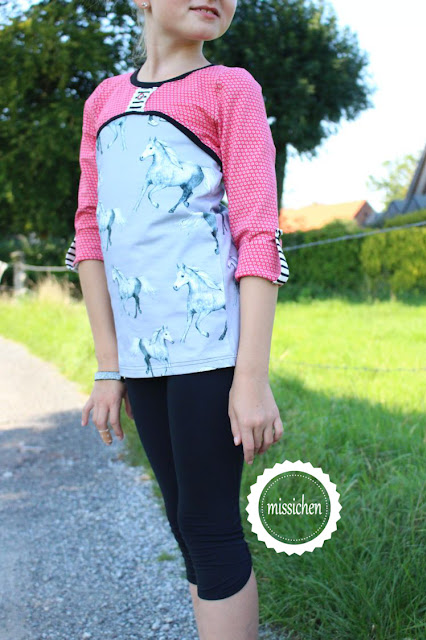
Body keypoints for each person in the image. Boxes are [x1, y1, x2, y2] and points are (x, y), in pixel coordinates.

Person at [65, 1, 290, 638]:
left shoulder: (229, 88)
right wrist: (108, 367)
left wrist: (251, 378)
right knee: (183, 524)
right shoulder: (102, 102)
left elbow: (258, 233)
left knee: (210, 527)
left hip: (211, 354)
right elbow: (90, 233)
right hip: (141, 360)